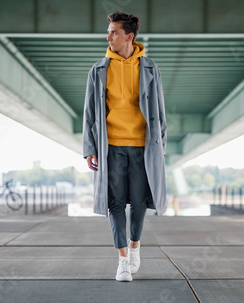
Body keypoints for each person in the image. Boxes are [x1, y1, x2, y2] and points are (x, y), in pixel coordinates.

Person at [82, 11, 167, 282]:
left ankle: (134, 247)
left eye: (114, 32)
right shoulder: (98, 70)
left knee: (140, 203)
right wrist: (89, 147)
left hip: (143, 147)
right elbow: (88, 114)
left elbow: (160, 113)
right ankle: (121, 261)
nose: (109, 37)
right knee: (115, 203)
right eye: (109, 32)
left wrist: (160, 147)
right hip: (111, 147)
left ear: (129, 37)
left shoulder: (150, 68)